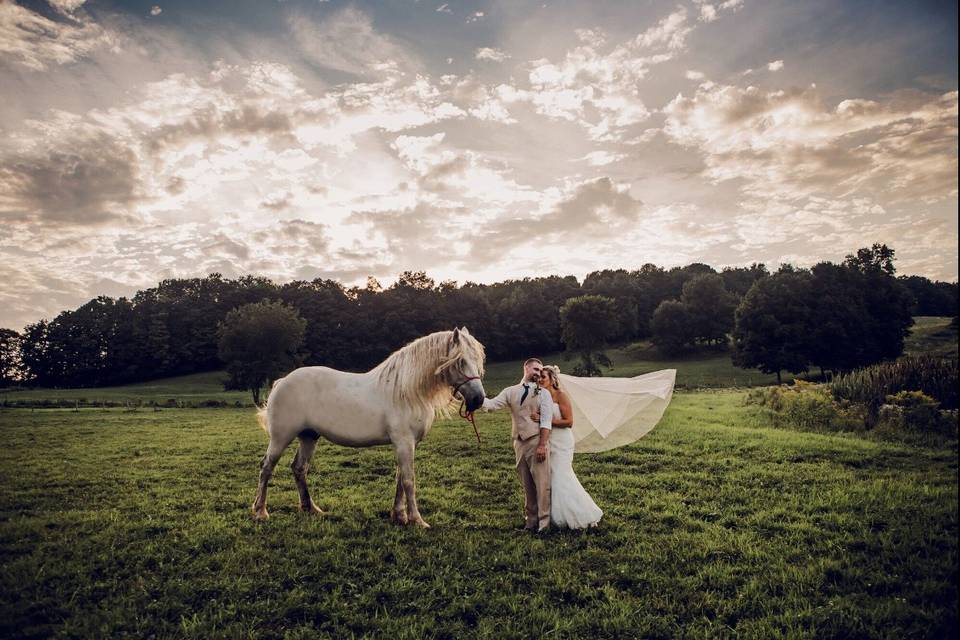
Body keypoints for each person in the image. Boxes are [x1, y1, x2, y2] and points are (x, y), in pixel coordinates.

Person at [481, 357, 555, 533]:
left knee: (542, 483)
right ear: (526, 368)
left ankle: (544, 525)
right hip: (519, 443)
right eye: (535, 369)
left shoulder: (544, 393)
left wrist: (542, 445)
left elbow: (546, 422)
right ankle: (530, 523)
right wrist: (474, 396)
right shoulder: (510, 391)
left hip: (537, 440)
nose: (538, 373)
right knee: (527, 485)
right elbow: (490, 405)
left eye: (540, 371)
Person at [539, 365, 603, 529]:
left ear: (552, 379)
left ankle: (580, 514)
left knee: (562, 475)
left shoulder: (561, 395)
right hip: (549, 441)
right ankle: (554, 516)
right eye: (539, 377)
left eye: (543, 377)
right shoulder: (541, 396)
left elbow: (569, 422)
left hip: (563, 441)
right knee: (552, 476)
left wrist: (544, 420)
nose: (540, 380)